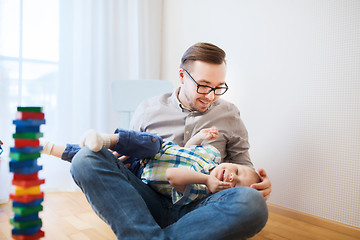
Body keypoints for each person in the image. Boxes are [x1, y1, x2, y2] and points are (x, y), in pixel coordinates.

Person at [69, 42, 271, 239]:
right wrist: (118, 161)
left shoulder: (230, 114)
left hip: (201, 208)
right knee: (85, 158)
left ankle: (143, 235)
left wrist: (258, 185)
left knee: (252, 202)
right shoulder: (148, 110)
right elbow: (130, 159)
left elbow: (242, 163)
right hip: (147, 202)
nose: (210, 96)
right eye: (204, 86)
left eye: (219, 87)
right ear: (182, 76)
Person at [41, 127, 261, 206]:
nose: (233, 178)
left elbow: (173, 175)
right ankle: (103, 138)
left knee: (95, 157)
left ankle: (50, 148)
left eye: (237, 185)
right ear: (230, 162)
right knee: (152, 141)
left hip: (139, 173)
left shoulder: (201, 191)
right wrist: (199, 137)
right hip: (155, 150)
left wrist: (206, 180)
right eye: (238, 172)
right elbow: (187, 148)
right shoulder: (212, 153)